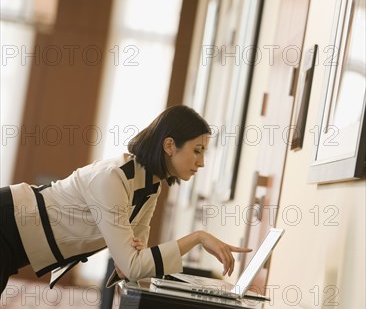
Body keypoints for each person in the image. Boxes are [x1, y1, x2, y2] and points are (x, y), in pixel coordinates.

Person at [0, 105, 250, 296]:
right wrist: (198, 237)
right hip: (7, 221)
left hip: (14, 241)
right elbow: (132, 265)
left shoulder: (150, 186)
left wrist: (132, 260)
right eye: (197, 150)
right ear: (170, 145)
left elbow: (135, 260)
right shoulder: (113, 178)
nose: (202, 162)